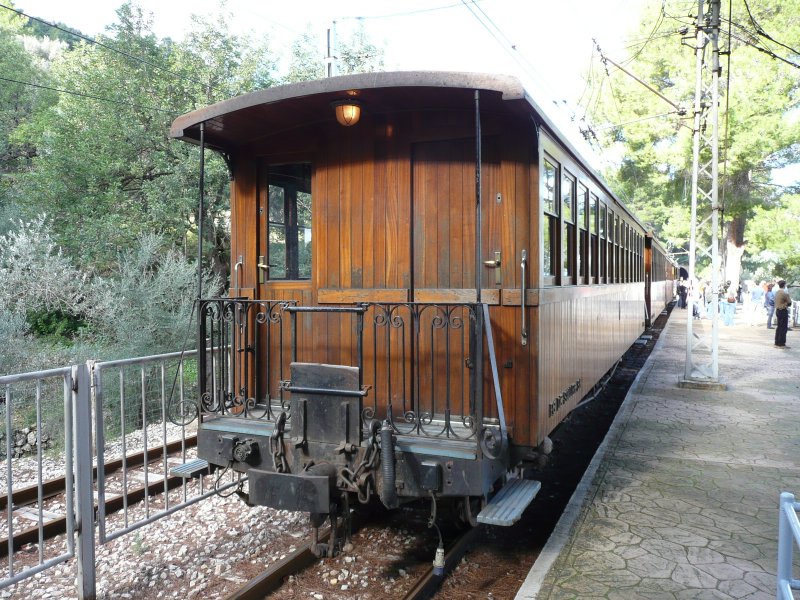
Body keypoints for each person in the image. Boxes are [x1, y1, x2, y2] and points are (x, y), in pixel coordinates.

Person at [774, 279, 792, 348]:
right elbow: (789, 303)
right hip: (783, 311)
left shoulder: (777, 292)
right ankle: (782, 344)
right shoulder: (785, 293)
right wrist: (786, 303)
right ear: (784, 285)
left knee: (779, 327)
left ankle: (777, 342)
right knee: (784, 328)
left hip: (777, 310)